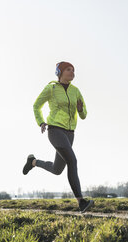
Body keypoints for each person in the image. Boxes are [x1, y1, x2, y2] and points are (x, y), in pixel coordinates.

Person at [22, 61, 94, 213]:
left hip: (70, 133)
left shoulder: (76, 91)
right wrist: (41, 122)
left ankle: (33, 162)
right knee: (72, 161)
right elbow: (36, 105)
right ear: (59, 72)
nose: (72, 72)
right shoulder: (52, 88)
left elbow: (84, 115)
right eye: (69, 69)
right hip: (55, 130)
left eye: (74, 70)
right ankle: (81, 202)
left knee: (57, 169)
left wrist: (80, 110)